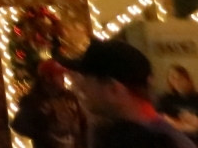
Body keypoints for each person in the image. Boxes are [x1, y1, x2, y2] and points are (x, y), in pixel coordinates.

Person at [63, 38, 193, 148]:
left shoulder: (143, 142)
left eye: (85, 82)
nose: (78, 89)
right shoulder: (161, 135)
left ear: (114, 89)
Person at [11, 59, 88, 148]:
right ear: (47, 78)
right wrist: (43, 132)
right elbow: (18, 125)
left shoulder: (69, 97)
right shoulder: (34, 101)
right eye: (59, 75)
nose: (63, 78)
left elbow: (82, 123)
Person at [158, 65, 198, 143]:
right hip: (174, 136)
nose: (176, 81)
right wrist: (178, 124)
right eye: (172, 78)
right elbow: (161, 117)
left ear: (187, 79)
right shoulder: (166, 98)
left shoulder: (196, 97)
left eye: (180, 78)